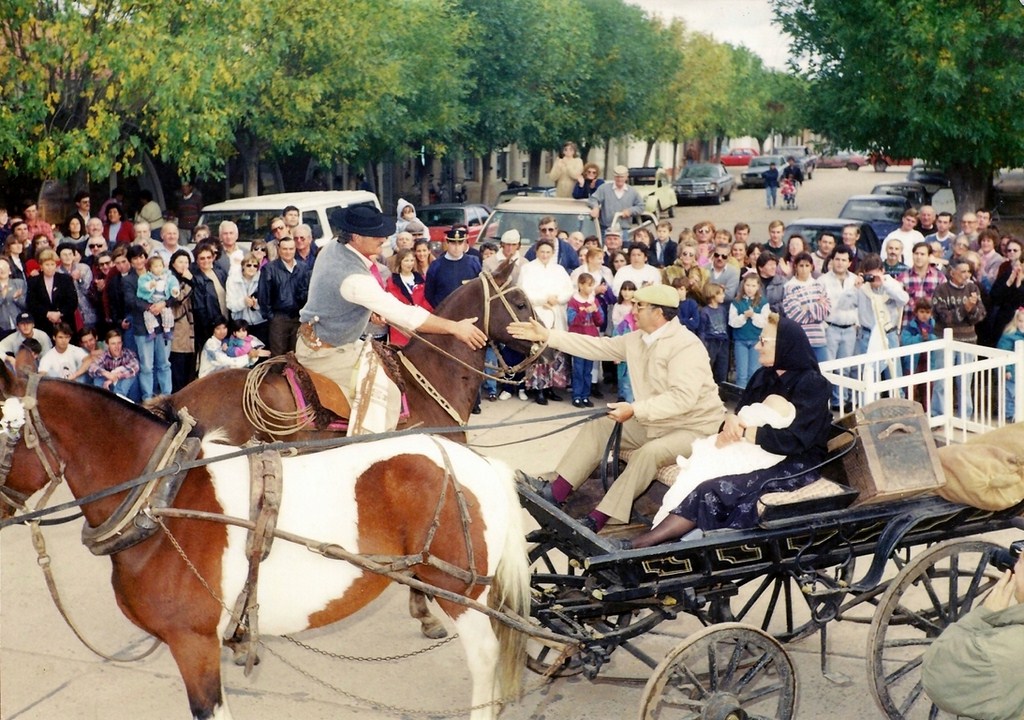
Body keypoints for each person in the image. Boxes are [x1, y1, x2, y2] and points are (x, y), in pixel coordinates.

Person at [510, 283, 725, 532]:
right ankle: (555, 494)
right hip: (657, 420)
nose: (632, 310)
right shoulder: (637, 339)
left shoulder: (687, 345)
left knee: (649, 453)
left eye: (639, 306)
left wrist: (634, 410)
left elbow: (682, 399)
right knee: (600, 426)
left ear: (659, 313)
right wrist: (549, 336)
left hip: (695, 426)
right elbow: (598, 347)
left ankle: (600, 518)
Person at [618, 314, 831, 549]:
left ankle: (645, 543)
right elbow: (741, 414)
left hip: (794, 459)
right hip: (753, 449)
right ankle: (672, 536)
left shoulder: (812, 384)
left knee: (712, 487)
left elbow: (795, 440)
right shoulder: (763, 376)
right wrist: (730, 421)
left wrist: (744, 431)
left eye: (764, 341)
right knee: (699, 469)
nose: (757, 346)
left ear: (785, 345)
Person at [295, 206, 486, 430]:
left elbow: (333, 298)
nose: (384, 238)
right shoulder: (353, 278)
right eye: (377, 234)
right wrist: (455, 328)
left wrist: (366, 310)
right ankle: (369, 450)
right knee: (387, 395)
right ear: (356, 237)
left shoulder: (332, 248)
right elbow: (405, 315)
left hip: (324, 339)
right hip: (327, 353)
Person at [921, 552, 1024, 720]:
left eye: (1021, 562)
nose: (1015, 567)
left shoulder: (1000, 654)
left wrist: (980, 618)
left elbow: (937, 674)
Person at [518, 238, 573, 405]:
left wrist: (558, 298)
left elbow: (569, 290)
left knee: (555, 354)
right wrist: (543, 299)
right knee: (539, 352)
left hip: (556, 313)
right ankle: (538, 388)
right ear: (536, 252)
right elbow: (523, 291)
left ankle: (551, 387)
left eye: (548, 252)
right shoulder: (528, 268)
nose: (545, 255)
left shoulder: (559, 269)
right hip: (538, 314)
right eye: (542, 251)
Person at [931, 258, 986, 418]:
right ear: (952, 273)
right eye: (963, 271)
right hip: (945, 340)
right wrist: (965, 309)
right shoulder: (941, 290)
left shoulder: (973, 288)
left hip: (968, 341)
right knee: (941, 381)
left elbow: (980, 315)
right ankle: (939, 415)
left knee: (965, 382)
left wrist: (972, 309)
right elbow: (944, 317)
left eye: (968, 271)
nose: (966, 275)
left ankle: (965, 417)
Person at [256, 236, 309, 356]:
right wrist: (271, 317)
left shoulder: (303, 268)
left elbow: (307, 291)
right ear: (279, 249)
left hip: (298, 318)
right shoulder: (269, 269)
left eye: (291, 249)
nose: (288, 252)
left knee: (297, 355)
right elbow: (263, 296)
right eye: (285, 249)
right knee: (278, 356)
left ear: (295, 249)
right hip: (279, 319)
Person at [782, 252, 830, 362]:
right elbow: (795, 315)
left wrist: (807, 307)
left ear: (812, 267)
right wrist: (816, 305)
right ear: (795, 267)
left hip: (819, 338)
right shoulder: (790, 287)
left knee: (823, 372)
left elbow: (826, 311)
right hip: (800, 339)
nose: (804, 269)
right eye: (801, 266)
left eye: (807, 266)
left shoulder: (819, 285)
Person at [566, 273, 604, 408]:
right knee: (578, 369)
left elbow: (600, 321)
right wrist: (585, 311)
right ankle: (577, 396)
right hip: (578, 339)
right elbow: (572, 321)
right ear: (581, 285)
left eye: (592, 285)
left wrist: (594, 311)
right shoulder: (573, 302)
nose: (590, 288)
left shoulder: (594, 300)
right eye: (588, 285)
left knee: (588, 370)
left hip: (591, 339)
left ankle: (585, 395)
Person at [730, 271, 771, 389]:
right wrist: (744, 316)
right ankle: (741, 397)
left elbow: (764, 322)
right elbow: (732, 322)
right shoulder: (736, 302)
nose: (750, 289)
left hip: (756, 341)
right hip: (741, 340)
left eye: (753, 286)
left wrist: (753, 315)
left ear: (758, 287)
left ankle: (753, 398)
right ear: (743, 285)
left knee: (754, 372)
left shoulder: (763, 302)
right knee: (741, 373)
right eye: (747, 285)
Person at [425, 227, 482, 308]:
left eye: (460, 243)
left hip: (468, 311)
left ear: (465, 243)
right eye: (453, 243)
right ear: (447, 243)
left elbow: (479, 289)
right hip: (444, 313)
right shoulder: (436, 266)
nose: (456, 247)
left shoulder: (473, 262)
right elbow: (429, 293)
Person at [384, 248, 432, 346]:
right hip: (400, 326)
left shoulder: (421, 279)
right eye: (406, 260)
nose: (409, 263)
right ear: (400, 262)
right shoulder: (392, 281)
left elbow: (426, 301)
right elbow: (392, 302)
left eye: (412, 260)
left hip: (419, 323)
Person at [26, 249, 78, 337]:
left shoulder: (65, 279)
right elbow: (31, 303)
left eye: (52, 264)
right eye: (47, 264)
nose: (50, 267)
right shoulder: (33, 281)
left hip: (64, 322)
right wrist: (48, 314)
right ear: (41, 266)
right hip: (43, 324)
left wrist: (59, 314)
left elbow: (73, 301)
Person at [167, 250, 197, 391]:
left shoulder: (191, 278)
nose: (184, 265)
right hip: (177, 333)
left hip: (191, 333)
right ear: (173, 263)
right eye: (180, 261)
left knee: (189, 371)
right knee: (177, 370)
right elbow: (177, 300)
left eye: (186, 262)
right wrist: (189, 281)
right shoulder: (169, 279)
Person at [587, 165, 644, 235]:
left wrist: (630, 211)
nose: (619, 179)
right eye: (617, 177)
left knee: (624, 246)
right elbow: (593, 199)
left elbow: (641, 206)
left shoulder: (632, 191)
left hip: (624, 230)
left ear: (626, 177)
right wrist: (595, 207)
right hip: (606, 229)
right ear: (614, 177)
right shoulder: (604, 188)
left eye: (622, 177)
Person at [226, 251, 268, 344]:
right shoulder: (233, 280)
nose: (252, 268)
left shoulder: (262, 279)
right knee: (241, 353)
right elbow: (230, 304)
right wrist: (243, 302)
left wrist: (256, 304)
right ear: (243, 266)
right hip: (240, 324)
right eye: (249, 265)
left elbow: (267, 302)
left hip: (259, 322)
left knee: (260, 352)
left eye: (255, 266)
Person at [137, 255, 180, 339]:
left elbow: (173, 284)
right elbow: (141, 286)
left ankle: (167, 330)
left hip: (162, 300)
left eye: (160, 266)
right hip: (151, 301)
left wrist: (174, 290)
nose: (159, 268)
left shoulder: (168, 277)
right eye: (156, 266)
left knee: (167, 313)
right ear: (150, 268)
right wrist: (149, 285)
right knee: (147, 314)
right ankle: (151, 331)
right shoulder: (146, 277)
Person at [88, 329, 139, 397]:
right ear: (107, 344)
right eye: (113, 344)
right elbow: (91, 368)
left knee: (130, 376)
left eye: (119, 343)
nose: (117, 347)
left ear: (122, 343)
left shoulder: (128, 354)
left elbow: (136, 366)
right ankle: (104, 400)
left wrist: (115, 376)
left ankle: (118, 399)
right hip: (111, 387)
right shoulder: (104, 355)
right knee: (98, 378)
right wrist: (106, 374)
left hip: (129, 393)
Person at [611, 281, 638, 402]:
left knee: (632, 376)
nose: (627, 293)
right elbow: (616, 328)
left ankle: (630, 400)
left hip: (636, 346)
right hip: (622, 341)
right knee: (622, 374)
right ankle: (622, 397)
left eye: (630, 290)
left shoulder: (636, 309)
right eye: (624, 290)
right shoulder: (618, 308)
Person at [699, 283, 729, 384]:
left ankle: (722, 391)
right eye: (720, 294)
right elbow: (702, 330)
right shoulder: (704, 311)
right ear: (712, 295)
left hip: (723, 342)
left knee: (722, 369)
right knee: (709, 367)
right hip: (711, 342)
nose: (723, 296)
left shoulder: (723, 309)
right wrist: (703, 345)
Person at [997, 307, 1024, 421]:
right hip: (1012, 371)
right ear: (1016, 321)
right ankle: (1009, 415)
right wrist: (1006, 369)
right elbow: (1004, 353)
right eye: (1021, 321)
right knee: (1011, 394)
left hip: (1021, 370)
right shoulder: (1009, 336)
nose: (1023, 324)